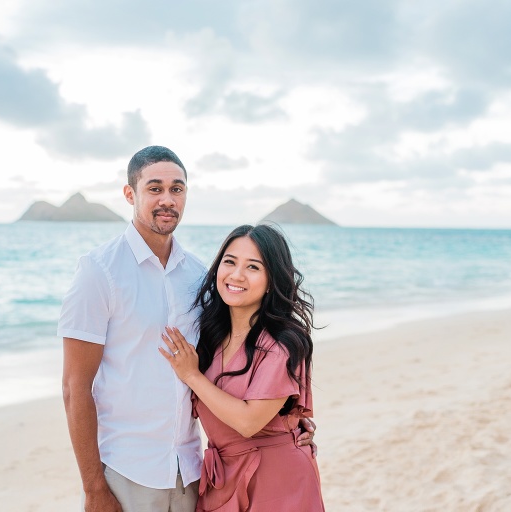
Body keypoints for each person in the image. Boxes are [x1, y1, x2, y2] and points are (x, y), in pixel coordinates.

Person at [59, 146, 316, 512]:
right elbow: (74, 387)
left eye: (177, 189)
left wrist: (288, 425)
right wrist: (93, 487)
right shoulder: (98, 272)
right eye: (155, 188)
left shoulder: (200, 276)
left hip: (193, 472)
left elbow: (243, 351)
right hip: (128, 469)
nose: (167, 199)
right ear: (130, 194)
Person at [160, 224, 325, 511]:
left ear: (272, 279)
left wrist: (191, 375)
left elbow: (249, 422)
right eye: (230, 262)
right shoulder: (209, 334)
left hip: (277, 481)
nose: (236, 275)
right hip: (222, 478)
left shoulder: (283, 343)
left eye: (253, 267)